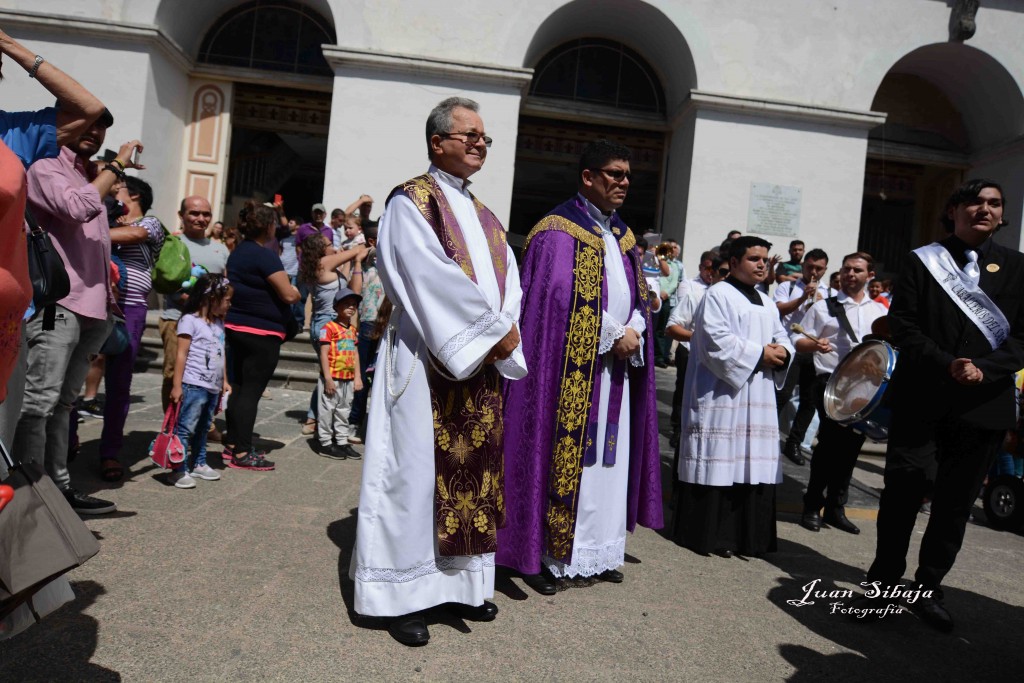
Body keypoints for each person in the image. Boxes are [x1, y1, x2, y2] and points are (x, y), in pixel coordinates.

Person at [351, 97, 526, 646]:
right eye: (468, 135)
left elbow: (509, 283)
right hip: (426, 358)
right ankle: (400, 597)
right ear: (437, 142)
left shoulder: (485, 216)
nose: (479, 143)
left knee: (474, 477)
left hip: (477, 365)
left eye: (484, 138)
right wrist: (487, 333)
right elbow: (426, 276)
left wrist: (505, 328)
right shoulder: (410, 202)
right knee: (415, 475)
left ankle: (463, 588)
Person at [498, 138, 662, 594]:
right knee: (571, 457)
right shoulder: (556, 232)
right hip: (571, 373)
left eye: (627, 174)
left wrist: (635, 327)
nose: (623, 182)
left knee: (610, 463)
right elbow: (554, 302)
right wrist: (613, 333)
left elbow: (639, 294)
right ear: (587, 177)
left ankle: (598, 549)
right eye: (613, 173)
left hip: (618, 375)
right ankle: (553, 554)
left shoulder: (623, 236)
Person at [859, 179, 1024, 632]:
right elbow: (904, 325)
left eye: (994, 203)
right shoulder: (922, 261)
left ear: (1001, 213)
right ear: (953, 210)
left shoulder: (1018, 267)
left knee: (953, 506)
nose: (984, 210)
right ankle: (883, 587)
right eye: (975, 202)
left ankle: (927, 588)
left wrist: (985, 370)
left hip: (984, 404)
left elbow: (1023, 338)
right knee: (902, 495)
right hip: (925, 397)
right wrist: (949, 364)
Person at [14, 115, 142, 514]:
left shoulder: (88, 173)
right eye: (85, 123)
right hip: (60, 305)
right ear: (62, 125)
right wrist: (116, 167)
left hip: (95, 307)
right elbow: (75, 208)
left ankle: (58, 489)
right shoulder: (46, 166)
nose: (95, 133)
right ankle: (30, 493)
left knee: (64, 405)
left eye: (101, 127)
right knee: (38, 403)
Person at [672, 236, 794, 557]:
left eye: (764, 260)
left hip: (759, 396)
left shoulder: (767, 302)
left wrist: (783, 351)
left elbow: (782, 336)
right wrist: (759, 354)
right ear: (735, 262)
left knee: (750, 464)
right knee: (721, 460)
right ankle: (715, 537)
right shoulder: (717, 294)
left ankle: (747, 539)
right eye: (754, 259)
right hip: (723, 396)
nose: (761, 265)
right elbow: (714, 341)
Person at [793, 252, 887, 535]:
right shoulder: (824, 308)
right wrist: (814, 346)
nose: (850, 275)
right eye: (846, 269)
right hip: (830, 384)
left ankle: (836, 508)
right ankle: (812, 505)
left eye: (857, 270)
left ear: (870, 275)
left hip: (864, 389)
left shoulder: (880, 313)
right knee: (829, 446)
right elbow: (798, 340)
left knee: (850, 449)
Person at [223, 201, 301, 471]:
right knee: (251, 393)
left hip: (236, 328)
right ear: (268, 226)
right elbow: (288, 294)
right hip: (261, 332)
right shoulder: (264, 255)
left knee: (240, 388)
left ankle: (232, 444)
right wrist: (298, 293)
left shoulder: (238, 252)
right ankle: (243, 453)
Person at [97, 176, 164, 481]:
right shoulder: (102, 218)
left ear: (133, 194)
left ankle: (110, 452)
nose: (110, 188)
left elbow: (135, 234)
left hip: (131, 308)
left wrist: (88, 233)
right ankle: (67, 443)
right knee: (74, 378)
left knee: (119, 385)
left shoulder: (151, 223)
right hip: (94, 302)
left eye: (117, 186)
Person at [159, 197, 229, 411]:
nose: (201, 218)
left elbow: (226, 285)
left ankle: (201, 425)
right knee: (174, 373)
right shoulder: (172, 244)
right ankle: (171, 425)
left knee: (208, 372)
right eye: (194, 213)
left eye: (206, 214)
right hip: (176, 319)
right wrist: (194, 303)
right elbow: (163, 283)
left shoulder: (221, 249)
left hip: (211, 323)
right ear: (181, 216)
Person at [296, 233, 365, 435]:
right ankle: (316, 420)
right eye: (329, 245)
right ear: (320, 249)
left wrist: (357, 265)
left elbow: (353, 291)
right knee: (331, 374)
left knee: (329, 372)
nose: (334, 248)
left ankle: (314, 418)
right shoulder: (323, 263)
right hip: (327, 324)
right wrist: (359, 247)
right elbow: (358, 250)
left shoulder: (325, 267)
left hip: (327, 322)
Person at [169, 273, 232, 488]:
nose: (229, 305)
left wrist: (224, 380)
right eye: (227, 300)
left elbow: (220, 352)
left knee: (204, 427)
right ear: (211, 298)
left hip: (212, 387)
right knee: (185, 427)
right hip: (193, 384)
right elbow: (181, 354)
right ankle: (177, 468)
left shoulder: (218, 323)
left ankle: (199, 462)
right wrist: (177, 385)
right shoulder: (189, 320)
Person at [773, 247, 830, 466]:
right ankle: (769, 436)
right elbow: (779, 311)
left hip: (813, 350)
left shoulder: (830, 292)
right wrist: (802, 298)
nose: (814, 271)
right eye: (810, 266)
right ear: (803, 265)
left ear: (825, 269)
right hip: (790, 346)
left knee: (810, 400)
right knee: (783, 395)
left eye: (819, 268)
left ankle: (794, 442)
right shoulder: (787, 286)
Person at [666, 252, 720, 450]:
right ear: (701, 267)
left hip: (712, 352)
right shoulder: (690, 286)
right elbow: (682, 315)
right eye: (707, 268)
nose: (709, 273)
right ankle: (678, 428)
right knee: (683, 387)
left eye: (713, 270)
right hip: (688, 345)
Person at [316, 288, 363, 460]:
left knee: (344, 410)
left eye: (354, 305)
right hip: (332, 378)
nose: (351, 308)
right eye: (347, 304)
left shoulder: (353, 330)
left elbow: (356, 354)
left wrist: (357, 377)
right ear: (336, 307)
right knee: (327, 410)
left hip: (348, 378)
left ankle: (342, 441)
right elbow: (323, 353)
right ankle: (325, 442)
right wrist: (327, 378)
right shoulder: (328, 328)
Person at [348, 224, 383, 444]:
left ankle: (375, 427)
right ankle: (354, 421)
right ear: (372, 241)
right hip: (370, 322)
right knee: (362, 375)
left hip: (390, 324)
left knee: (380, 378)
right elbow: (354, 291)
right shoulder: (370, 259)